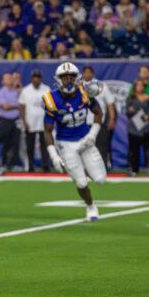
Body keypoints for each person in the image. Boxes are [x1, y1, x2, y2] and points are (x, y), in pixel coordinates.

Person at [43, 62, 105, 221]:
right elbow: (48, 130)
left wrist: (93, 134)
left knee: (100, 179)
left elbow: (98, 112)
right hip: (66, 144)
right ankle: (91, 207)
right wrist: (54, 155)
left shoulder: (84, 93)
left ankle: (83, 170)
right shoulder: (51, 99)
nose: (69, 81)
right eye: (65, 78)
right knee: (81, 183)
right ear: (58, 80)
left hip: (85, 140)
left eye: (71, 77)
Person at [82, 66, 116, 168]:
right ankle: (86, 167)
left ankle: (103, 167)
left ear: (93, 73)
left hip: (99, 121)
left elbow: (110, 103)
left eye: (89, 72)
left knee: (101, 145)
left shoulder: (102, 86)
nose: (87, 74)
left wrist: (112, 118)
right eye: (85, 72)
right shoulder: (79, 86)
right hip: (83, 121)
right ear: (83, 74)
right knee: (84, 146)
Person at [18, 69, 50, 172]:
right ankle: (30, 166)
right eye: (34, 77)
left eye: (38, 77)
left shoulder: (46, 89)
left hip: (43, 122)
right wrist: (24, 121)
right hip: (30, 122)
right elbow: (22, 107)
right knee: (30, 146)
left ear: (40, 79)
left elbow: (50, 106)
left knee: (44, 145)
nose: (36, 79)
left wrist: (49, 120)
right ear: (32, 79)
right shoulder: (26, 90)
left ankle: (45, 165)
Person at [126, 80, 149, 175]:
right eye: (138, 85)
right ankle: (134, 170)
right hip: (133, 128)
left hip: (146, 127)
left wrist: (148, 116)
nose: (140, 87)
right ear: (135, 87)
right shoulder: (131, 98)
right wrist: (130, 110)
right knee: (133, 150)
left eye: (142, 85)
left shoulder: (148, 98)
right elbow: (126, 111)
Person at [0, 72, 21, 170]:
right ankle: (3, 163)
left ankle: (14, 164)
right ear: (3, 81)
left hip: (16, 121)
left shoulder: (17, 91)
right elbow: (5, 106)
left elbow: (22, 103)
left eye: (11, 78)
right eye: (7, 78)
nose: (10, 80)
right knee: (5, 143)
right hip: (5, 120)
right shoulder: (1, 92)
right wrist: (16, 106)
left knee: (15, 143)